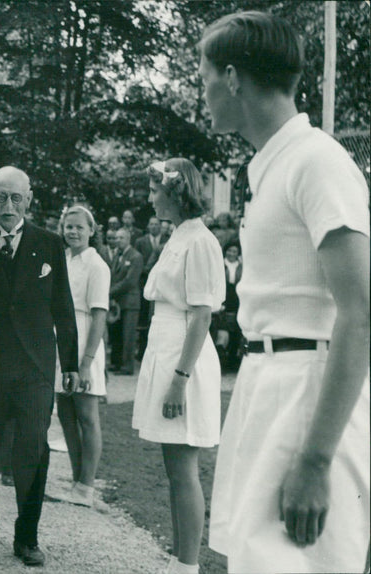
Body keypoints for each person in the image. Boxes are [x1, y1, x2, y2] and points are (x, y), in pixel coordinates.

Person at [199, 12, 369, 573]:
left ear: (231, 76)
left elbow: (361, 312)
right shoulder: (270, 167)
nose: (203, 96)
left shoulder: (317, 162)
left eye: (203, 81)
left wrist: (316, 460)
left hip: (309, 396)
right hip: (264, 386)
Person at [0, 166, 78, 567]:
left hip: (35, 368)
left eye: (16, 198)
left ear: (29, 199)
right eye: (1, 197)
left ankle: (27, 536)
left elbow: (64, 307)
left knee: (32, 449)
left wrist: (71, 364)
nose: (8, 206)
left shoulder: (50, 244)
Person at [132, 159, 225, 574]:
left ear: (175, 191)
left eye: (155, 190)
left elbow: (202, 315)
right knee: (173, 465)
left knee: (184, 467)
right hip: (166, 349)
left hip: (183, 361)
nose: (150, 198)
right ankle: (178, 559)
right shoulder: (176, 237)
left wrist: (179, 380)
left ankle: (188, 565)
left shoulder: (199, 240)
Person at [55, 205, 110, 507]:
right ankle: (77, 482)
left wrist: (86, 364)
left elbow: (99, 316)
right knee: (65, 413)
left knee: (86, 416)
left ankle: (87, 486)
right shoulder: (61, 259)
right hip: (60, 341)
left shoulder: (97, 265)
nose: (73, 232)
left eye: (79, 227)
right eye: (68, 226)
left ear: (91, 230)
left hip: (84, 341)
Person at [108, 228, 143, 375]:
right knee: (116, 333)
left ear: (129, 239)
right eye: (116, 238)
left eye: (121, 238)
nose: (118, 241)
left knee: (128, 334)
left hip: (130, 301)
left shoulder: (136, 256)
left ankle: (128, 366)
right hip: (117, 301)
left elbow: (130, 281)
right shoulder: (116, 255)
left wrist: (109, 291)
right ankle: (117, 362)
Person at [135, 216, 164, 360]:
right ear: (148, 226)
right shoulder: (140, 242)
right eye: (151, 224)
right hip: (144, 282)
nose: (154, 227)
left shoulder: (168, 240)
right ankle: (142, 351)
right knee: (144, 318)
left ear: (160, 226)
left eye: (156, 224)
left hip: (163, 284)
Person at [212, 241, 243, 372]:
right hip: (224, 300)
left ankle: (233, 360)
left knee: (237, 330)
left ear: (238, 254)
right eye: (229, 251)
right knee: (222, 331)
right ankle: (220, 362)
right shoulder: (220, 264)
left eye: (234, 251)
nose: (231, 253)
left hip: (237, 300)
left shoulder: (242, 266)